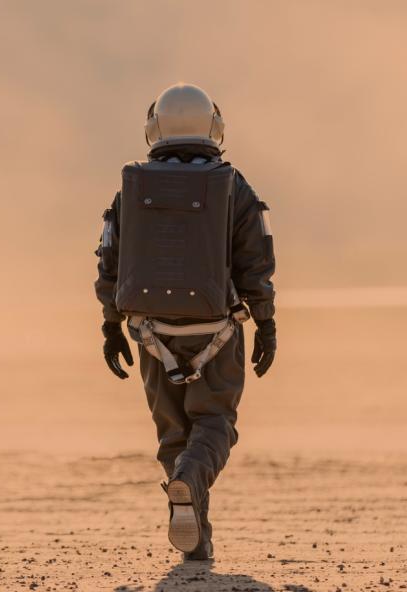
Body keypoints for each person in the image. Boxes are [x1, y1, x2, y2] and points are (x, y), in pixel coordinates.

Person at [94, 83, 277, 561]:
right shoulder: (233, 184)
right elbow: (256, 262)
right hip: (216, 331)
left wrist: (111, 326)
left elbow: (109, 261)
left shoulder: (131, 188)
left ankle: (197, 534)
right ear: (213, 126)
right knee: (214, 423)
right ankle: (190, 484)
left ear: (155, 127)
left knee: (173, 434)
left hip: (150, 334)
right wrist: (266, 323)